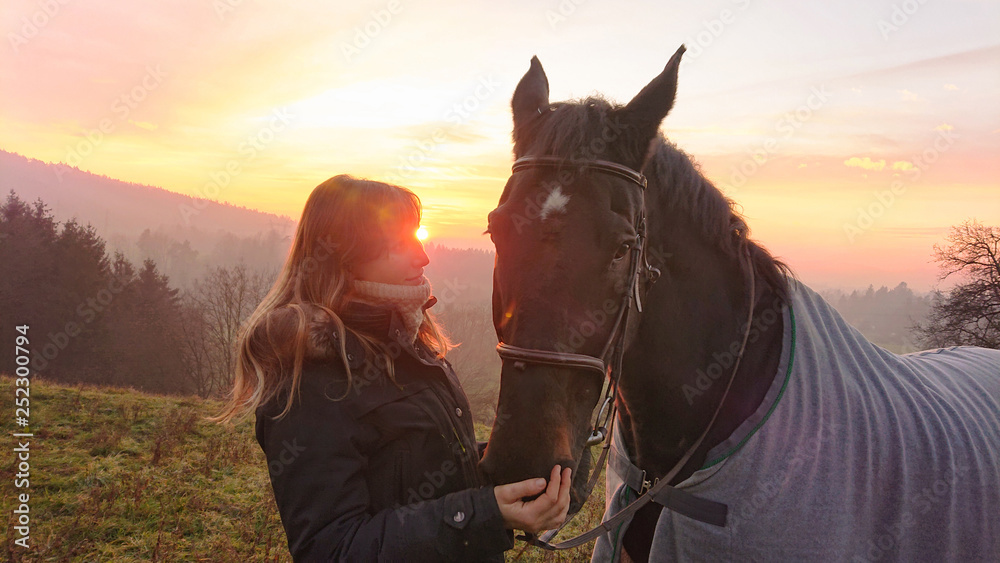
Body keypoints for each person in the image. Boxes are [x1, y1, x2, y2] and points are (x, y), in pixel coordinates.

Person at [215, 175, 571, 562]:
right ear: (346, 255)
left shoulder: (405, 339)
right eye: (400, 244)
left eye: (416, 237)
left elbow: (425, 468)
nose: (423, 257)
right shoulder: (313, 376)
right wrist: (485, 513)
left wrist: (518, 463)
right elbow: (332, 549)